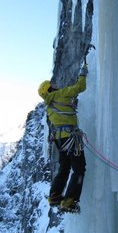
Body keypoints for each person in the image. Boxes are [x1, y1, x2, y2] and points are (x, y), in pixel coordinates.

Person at [38, 64, 88, 212]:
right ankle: (69, 201)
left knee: (64, 168)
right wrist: (83, 74)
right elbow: (79, 87)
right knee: (79, 169)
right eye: (52, 85)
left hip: (60, 140)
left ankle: (54, 196)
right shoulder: (62, 94)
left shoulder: (49, 105)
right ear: (50, 88)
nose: (56, 85)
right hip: (70, 139)